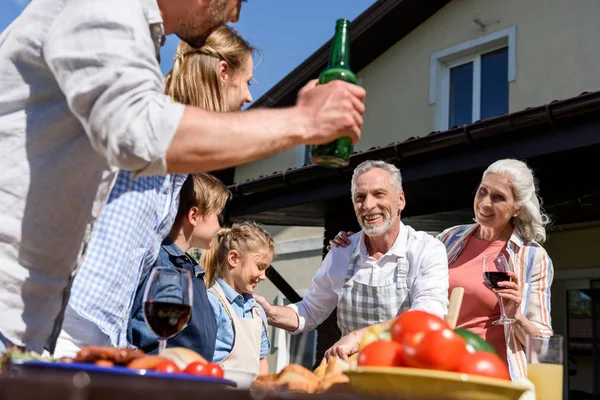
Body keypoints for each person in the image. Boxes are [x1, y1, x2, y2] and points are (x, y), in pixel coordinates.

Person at [0, 0, 366, 353]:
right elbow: (139, 132)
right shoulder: (107, 7)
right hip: (34, 317)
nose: (236, 13)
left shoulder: (137, 40)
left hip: (52, 324)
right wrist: (303, 121)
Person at [52, 26, 255, 357]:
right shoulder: (146, 123)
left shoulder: (176, 163)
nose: (249, 97)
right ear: (222, 72)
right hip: (67, 322)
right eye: (247, 82)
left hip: (104, 329)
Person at [330, 159, 554, 380]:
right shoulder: (449, 238)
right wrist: (354, 244)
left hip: (492, 376)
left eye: (499, 198)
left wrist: (515, 315)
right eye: (483, 191)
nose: (485, 202)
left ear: (517, 209)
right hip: (439, 370)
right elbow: (401, 249)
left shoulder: (533, 258)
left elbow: (543, 346)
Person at [254, 160, 449, 363]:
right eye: (360, 197)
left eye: (379, 194)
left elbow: (428, 315)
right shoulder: (342, 252)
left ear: (400, 200)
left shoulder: (427, 249)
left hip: (406, 372)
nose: (368, 205)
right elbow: (310, 311)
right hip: (352, 374)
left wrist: (360, 336)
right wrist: (271, 313)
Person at [128, 173, 229, 361]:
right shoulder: (161, 265)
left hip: (187, 380)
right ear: (193, 215)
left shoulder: (190, 269)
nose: (220, 225)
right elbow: (148, 338)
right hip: (161, 380)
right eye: (218, 215)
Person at [202, 222, 274, 376]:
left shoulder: (257, 311)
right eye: (260, 267)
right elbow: (200, 359)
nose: (263, 276)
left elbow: (262, 360)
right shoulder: (210, 303)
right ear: (233, 258)